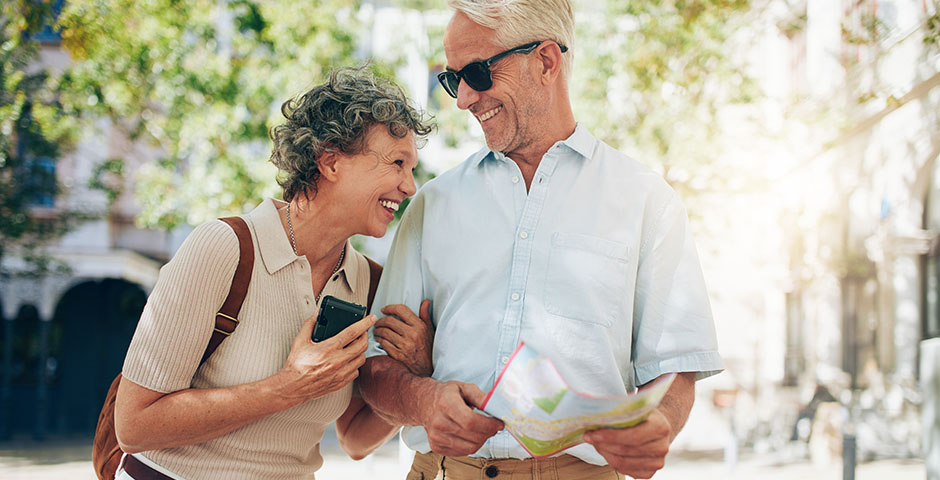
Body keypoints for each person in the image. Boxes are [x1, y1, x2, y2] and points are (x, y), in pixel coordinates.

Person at [359, 1, 724, 479]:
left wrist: (658, 425)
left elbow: (674, 370)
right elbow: (374, 370)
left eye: (477, 73)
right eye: (453, 79)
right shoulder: (434, 203)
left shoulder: (645, 201)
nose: (464, 98)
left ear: (547, 61)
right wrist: (424, 401)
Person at [113, 67, 434, 479]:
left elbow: (355, 439)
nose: (409, 187)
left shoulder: (368, 283)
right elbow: (134, 425)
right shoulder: (225, 248)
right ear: (331, 160)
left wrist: (418, 374)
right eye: (397, 163)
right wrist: (286, 388)